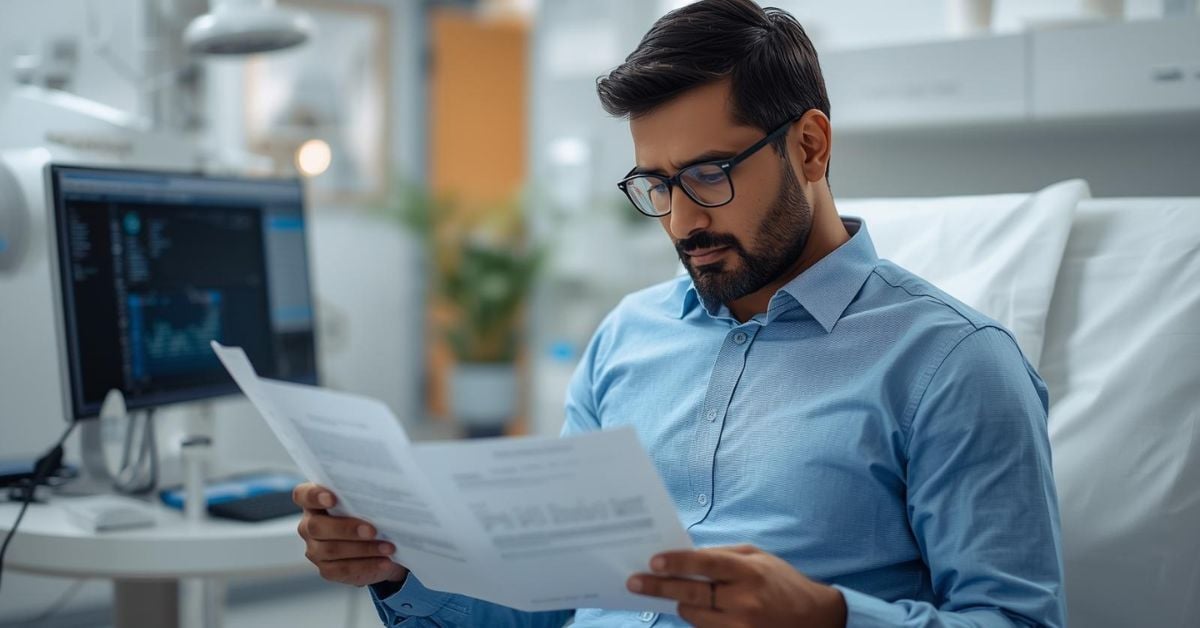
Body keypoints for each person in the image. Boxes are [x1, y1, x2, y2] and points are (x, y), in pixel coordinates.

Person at [291, 1, 1066, 626]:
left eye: (709, 173)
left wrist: (830, 618)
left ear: (810, 147)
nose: (682, 220)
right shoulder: (627, 337)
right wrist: (402, 571)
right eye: (656, 184)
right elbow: (548, 606)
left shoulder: (954, 366)